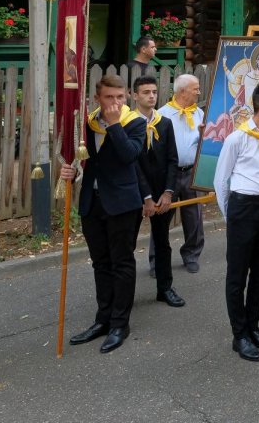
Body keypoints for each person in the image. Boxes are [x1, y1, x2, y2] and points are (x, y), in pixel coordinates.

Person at [60, 75, 147, 354]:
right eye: (109, 97)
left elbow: (129, 155)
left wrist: (114, 125)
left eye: (120, 97)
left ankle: (120, 324)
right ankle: (103, 318)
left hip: (122, 203)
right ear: (97, 98)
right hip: (92, 202)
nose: (116, 103)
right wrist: (71, 171)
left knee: (121, 263)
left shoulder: (135, 122)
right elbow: (83, 158)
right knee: (100, 263)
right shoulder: (87, 123)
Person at [214, 81, 259, 362]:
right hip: (242, 208)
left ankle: (254, 326)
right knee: (237, 275)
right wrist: (231, 216)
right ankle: (239, 334)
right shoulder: (237, 138)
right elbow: (221, 180)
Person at [131, 75, 185, 308]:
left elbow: (173, 159)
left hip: (161, 193)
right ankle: (123, 294)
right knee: (127, 246)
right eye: (145, 92)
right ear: (135, 96)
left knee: (162, 242)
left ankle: (165, 288)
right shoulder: (127, 123)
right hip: (135, 194)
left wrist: (168, 192)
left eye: (154, 92)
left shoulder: (165, 123)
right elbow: (132, 163)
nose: (151, 96)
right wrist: (146, 198)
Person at [154, 73, 206, 275]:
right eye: (196, 88)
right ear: (183, 91)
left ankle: (191, 255)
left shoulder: (199, 114)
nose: (199, 92)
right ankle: (156, 260)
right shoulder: (162, 114)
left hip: (191, 171)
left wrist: (204, 135)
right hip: (169, 174)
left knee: (194, 217)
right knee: (162, 217)